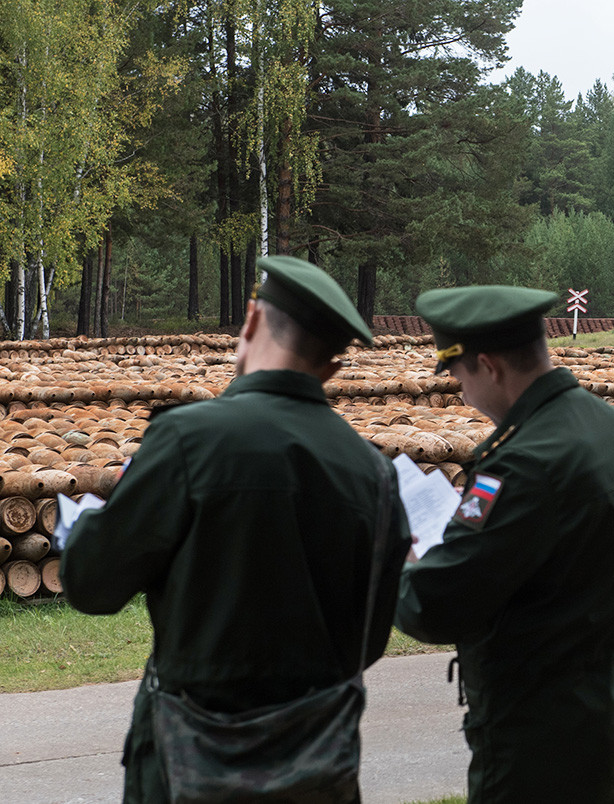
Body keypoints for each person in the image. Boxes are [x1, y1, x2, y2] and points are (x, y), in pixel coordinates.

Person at [60, 255, 409, 803]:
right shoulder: (374, 473)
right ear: (333, 369)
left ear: (249, 323)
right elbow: (371, 636)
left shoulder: (187, 440)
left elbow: (92, 585)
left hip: (186, 762)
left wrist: (81, 531)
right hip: (317, 765)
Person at [394, 285, 614, 804]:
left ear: (489, 366)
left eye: (459, 375)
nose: (462, 394)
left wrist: (403, 558)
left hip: (538, 735)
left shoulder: (519, 466)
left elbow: (435, 604)